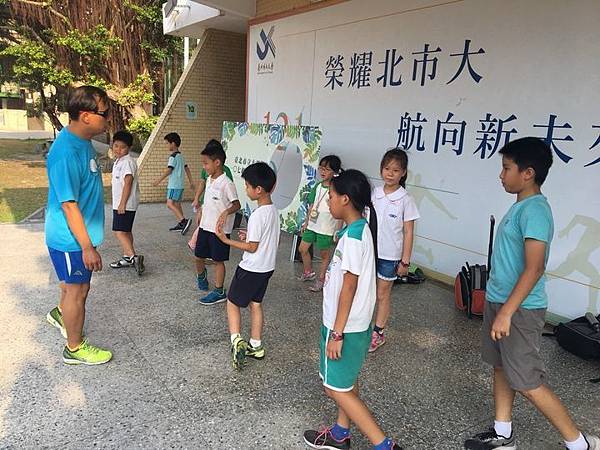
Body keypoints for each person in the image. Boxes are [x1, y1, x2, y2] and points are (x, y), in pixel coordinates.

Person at [464, 137, 599, 450]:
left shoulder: (536, 210)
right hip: (501, 302)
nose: (501, 175)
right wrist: (499, 306)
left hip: (520, 310)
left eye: (506, 168)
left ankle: (580, 443)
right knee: (500, 366)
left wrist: (509, 312)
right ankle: (503, 433)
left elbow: (534, 268)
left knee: (527, 381)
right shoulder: (520, 207)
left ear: (527, 173)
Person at [303, 169, 402, 450]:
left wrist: (337, 333)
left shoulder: (356, 236)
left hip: (344, 327)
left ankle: (384, 445)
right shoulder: (353, 230)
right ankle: (340, 433)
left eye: (331, 197)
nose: (328, 202)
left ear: (345, 199)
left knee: (334, 388)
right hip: (344, 324)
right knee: (345, 383)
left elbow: (349, 288)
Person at [44, 85, 112, 365]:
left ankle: (61, 313)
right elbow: (69, 205)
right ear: (86, 116)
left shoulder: (83, 143)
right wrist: (87, 247)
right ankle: (74, 348)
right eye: (104, 114)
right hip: (72, 239)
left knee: (75, 287)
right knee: (78, 291)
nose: (108, 119)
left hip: (80, 237)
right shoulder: (65, 153)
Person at [215, 162, 279, 370]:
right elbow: (264, 239)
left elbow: (251, 247)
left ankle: (236, 341)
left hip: (251, 267)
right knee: (255, 304)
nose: (246, 189)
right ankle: (256, 345)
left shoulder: (258, 215)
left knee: (233, 302)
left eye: (247, 186)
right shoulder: (272, 211)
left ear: (258, 190)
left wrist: (226, 240)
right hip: (266, 268)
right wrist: (247, 236)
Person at [369, 148, 419, 352]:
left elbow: (408, 232)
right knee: (365, 292)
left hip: (390, 257)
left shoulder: (406, 199)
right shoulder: (374, 194)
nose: (390, 173)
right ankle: (361, 328)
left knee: (382, 294)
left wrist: (405, 261)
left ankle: (378, 332)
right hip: (369, 252)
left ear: (404, 173)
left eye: (395, 170)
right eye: (386, 168)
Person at [194, 142, 240, 304]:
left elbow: (236, 204)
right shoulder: (208, 179)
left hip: (219, 230)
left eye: (206, 163)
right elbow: (209, 201)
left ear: (217, 162)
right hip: (205, 226)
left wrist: (226, 212)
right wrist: (200, 210)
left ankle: (219, 291)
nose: (204, 167)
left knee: (218, 260)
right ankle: (201, 275)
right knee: (198, 255)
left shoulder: (227, 183)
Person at [297, 155, 343, 292]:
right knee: (302, 249)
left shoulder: (337, 189)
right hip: (312, 225)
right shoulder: (317, 186)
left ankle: (322, 279)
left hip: (327, 228)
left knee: (324, 255)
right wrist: (306, 223)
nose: (323, 172)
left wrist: (338, 230)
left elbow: (341, 212)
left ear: (335, 171)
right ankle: (308, 272)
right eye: (321, 168)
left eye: (327, 169)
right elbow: (311, 205)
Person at [108, 130, 144, 275]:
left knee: (119, 232)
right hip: (123, 203)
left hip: (125, 204)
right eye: (116, 146)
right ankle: (127, 257)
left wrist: (122, 204)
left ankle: (133, 257)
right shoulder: (119, 161)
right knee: (126, 231)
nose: (118, 149)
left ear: (128, 148)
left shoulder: (128, 162)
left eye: (122, 147)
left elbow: (127, 183)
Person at [153, 132, 195, 234]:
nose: (166, 146)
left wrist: (158, 180)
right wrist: (191, 181)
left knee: (169, 204)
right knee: (177, 204)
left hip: (174, 185)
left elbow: (169, 170)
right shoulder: (181, 156)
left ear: (173, 143)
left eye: (167, 143)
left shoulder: (173, 157)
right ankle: (181, 224)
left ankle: (183, 221)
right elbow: (187, 169)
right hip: (180, 185)